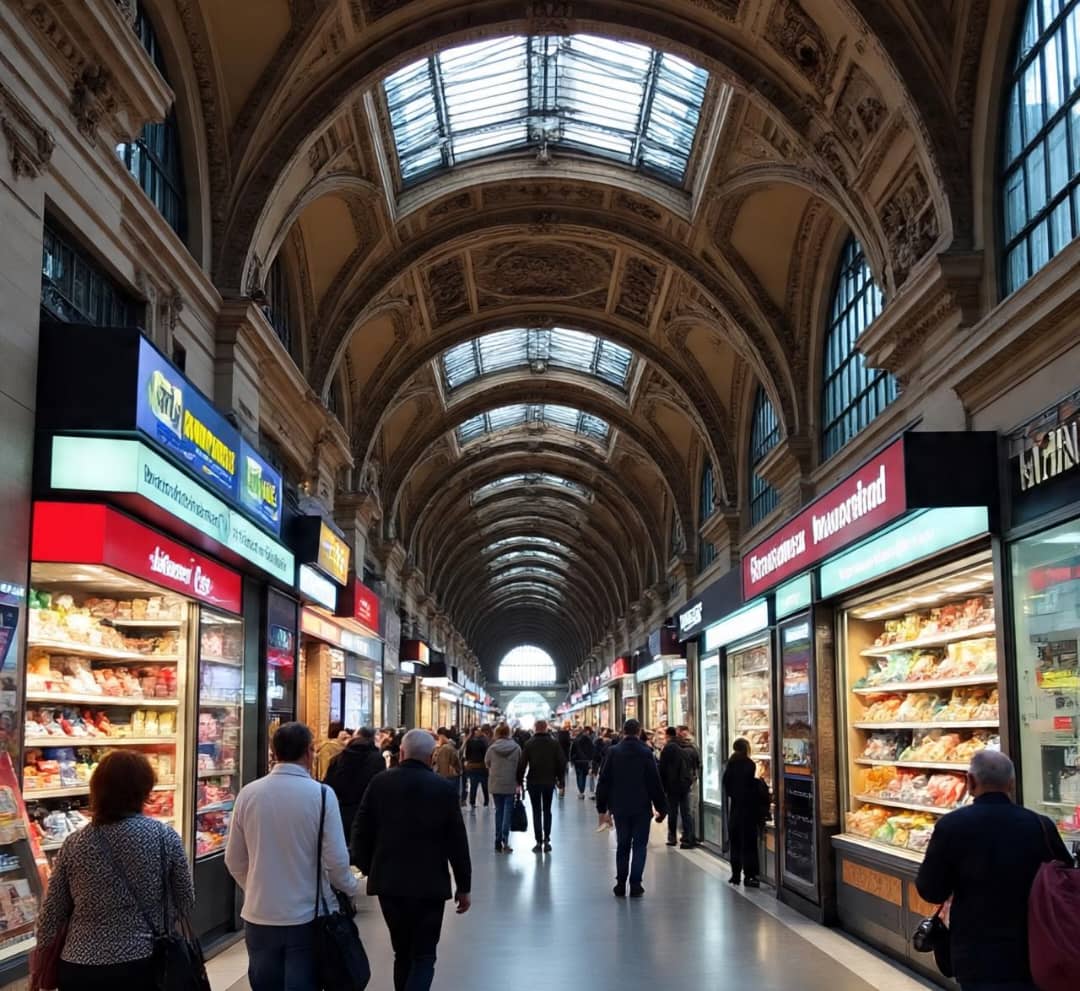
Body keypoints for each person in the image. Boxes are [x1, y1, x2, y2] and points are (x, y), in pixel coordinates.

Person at [32, 750, 195, 989]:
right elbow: (186, 901)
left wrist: (40, 965)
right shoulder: (163, 837)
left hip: (81, 965)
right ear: (144, 789)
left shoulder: (75, 842)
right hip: (144, 961)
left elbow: (51, 914)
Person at [916, 750, 1072, 991]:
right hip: (1033, 947)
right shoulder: (1040, 824)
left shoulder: (951, 826)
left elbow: (931, 890)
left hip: (975, 953)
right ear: (1011, 783)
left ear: (970, 782)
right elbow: (1065, 875)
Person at [225, 722, 359, 991]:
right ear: (310, 752)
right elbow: (335, 859)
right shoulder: (321, 795)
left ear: (274, 752)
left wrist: (254, 889)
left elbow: (234, 859)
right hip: (307, 916)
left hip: (259, 915)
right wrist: (349, 887)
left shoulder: (248, 794)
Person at [353, 729, 472, 991]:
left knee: (402, 952)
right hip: (429, 885)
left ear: (402, 753)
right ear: (431, 757)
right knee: (424, 955)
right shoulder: (442, 788)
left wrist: (371, 866)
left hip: (389, 883)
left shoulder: (379, 783)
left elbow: (360, 832)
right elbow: (457, 842)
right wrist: (464, 886)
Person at [596, 719, 668, 898]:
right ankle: (636, 884)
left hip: (619, 807)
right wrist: (661, 808)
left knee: (623, 844)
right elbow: (654, 782)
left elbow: (604, 781)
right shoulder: (646, 752)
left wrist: (602, 808)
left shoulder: (613, 752)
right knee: (640, 846)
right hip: (641, 807)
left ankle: (620, 883)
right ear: (639, 731)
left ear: (623, 731)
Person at [323, 726, 385, 857]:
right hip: (367, 813)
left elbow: (329, 786)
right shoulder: (377, 759)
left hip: (342, 812)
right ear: (372, 739)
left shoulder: (338, 758)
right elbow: (379, 787)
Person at [517, 719, 567, 853]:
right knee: (547, 810)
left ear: (535, 728)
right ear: (546, 728)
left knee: (536, 811)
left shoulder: (529, 744)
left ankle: (538, 841)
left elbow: (522, 764)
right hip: (549, 782)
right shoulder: (554, 744)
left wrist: (519, 781)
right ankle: (547, 839)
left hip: (533, 781)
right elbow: (561, 762)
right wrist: (560, 779)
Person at [722, 738, 764, 887]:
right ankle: (750, 876)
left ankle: (735, 875)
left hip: (735, 810)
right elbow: (751, 786)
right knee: (749, 845)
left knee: (736, 844)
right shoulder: (749, 764)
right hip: (749, 810)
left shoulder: (730, 765)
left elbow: (727, 788)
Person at [485, 723, 522, 853]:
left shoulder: (492, 748)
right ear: (508, 733)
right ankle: (505, 841)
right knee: (507, 812)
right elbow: (520, 765)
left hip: (496, 783)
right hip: (510, 783)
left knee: (498, 812)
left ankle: (497, 840)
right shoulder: (516, 748)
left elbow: (487, 763)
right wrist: (519, 783)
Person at [659, 726, 696, 849]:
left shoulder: (668, 748)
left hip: (672, 785)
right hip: (685, 784)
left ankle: (672, 837)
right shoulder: (686, 746)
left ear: (667, 736)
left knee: (673, 812)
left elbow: (662, 769)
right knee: (686, 812)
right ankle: (688, 838)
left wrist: (663, 788)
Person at [463, 727, 490, 811]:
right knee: (484, 785)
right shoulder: (484, 742)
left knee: (474, 785)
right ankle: (486, 801)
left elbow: (467, 755)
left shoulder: (470, 742)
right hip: (482, 767)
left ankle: (472, 802)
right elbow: (486, 754)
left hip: (473, 767)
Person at [570, 726, 596, 799]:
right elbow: (592, 750)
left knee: (580, 776)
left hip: (578, 761)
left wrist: (572, 760)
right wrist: (592, 759)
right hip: (587, 761)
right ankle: (591, 792)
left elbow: (572, 751)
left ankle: (581, 792)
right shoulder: (589, 740)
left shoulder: (576, 740)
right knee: (589, 775)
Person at [556, 722, 572, 797]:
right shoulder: (567, 738)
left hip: (557, 757)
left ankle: (559, 786)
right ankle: (562, 787)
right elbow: (569, 746)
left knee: (557, 773)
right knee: (561, 774)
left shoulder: (558, 739)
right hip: (564, 757)